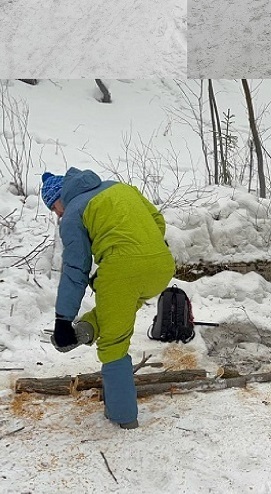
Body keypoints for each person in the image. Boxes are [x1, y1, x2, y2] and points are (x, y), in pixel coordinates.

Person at [41, 168, 175, 429]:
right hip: (162, 266)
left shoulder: (73, 213)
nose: (57, 213)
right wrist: (144, 252)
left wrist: (62, 319)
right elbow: (157, 221)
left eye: (54, 207)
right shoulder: (119, 187)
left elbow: (75, 269)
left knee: (114, 343)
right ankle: (87, 329)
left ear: (60, 197)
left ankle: (123, 417)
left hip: (123, 271)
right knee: (121, 307)